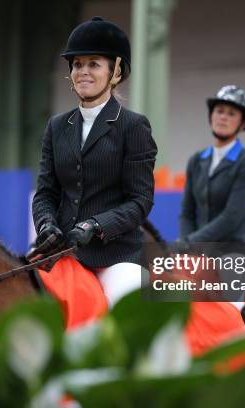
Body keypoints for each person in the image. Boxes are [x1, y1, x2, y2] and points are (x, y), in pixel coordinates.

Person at [31, 17, 157, 306]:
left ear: (115, 72)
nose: (83, 72)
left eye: (93, 64)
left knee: (126, 306)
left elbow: (140, 201)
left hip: (115, 256)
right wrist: (47, 225)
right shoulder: (56, 126)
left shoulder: (133, 126)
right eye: (77, 64)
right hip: (62, 252)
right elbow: (46, 193)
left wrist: (96, 225)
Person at [179, 85, 245, 248]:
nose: (223, 117)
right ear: (211, 116)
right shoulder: (196, 161)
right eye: (219, 111)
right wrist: (185, 243)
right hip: (199, 248)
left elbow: (232, 216)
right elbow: (187, 213)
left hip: (235, 250)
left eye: (231, 114)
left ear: (243, 123)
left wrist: (191, 241)